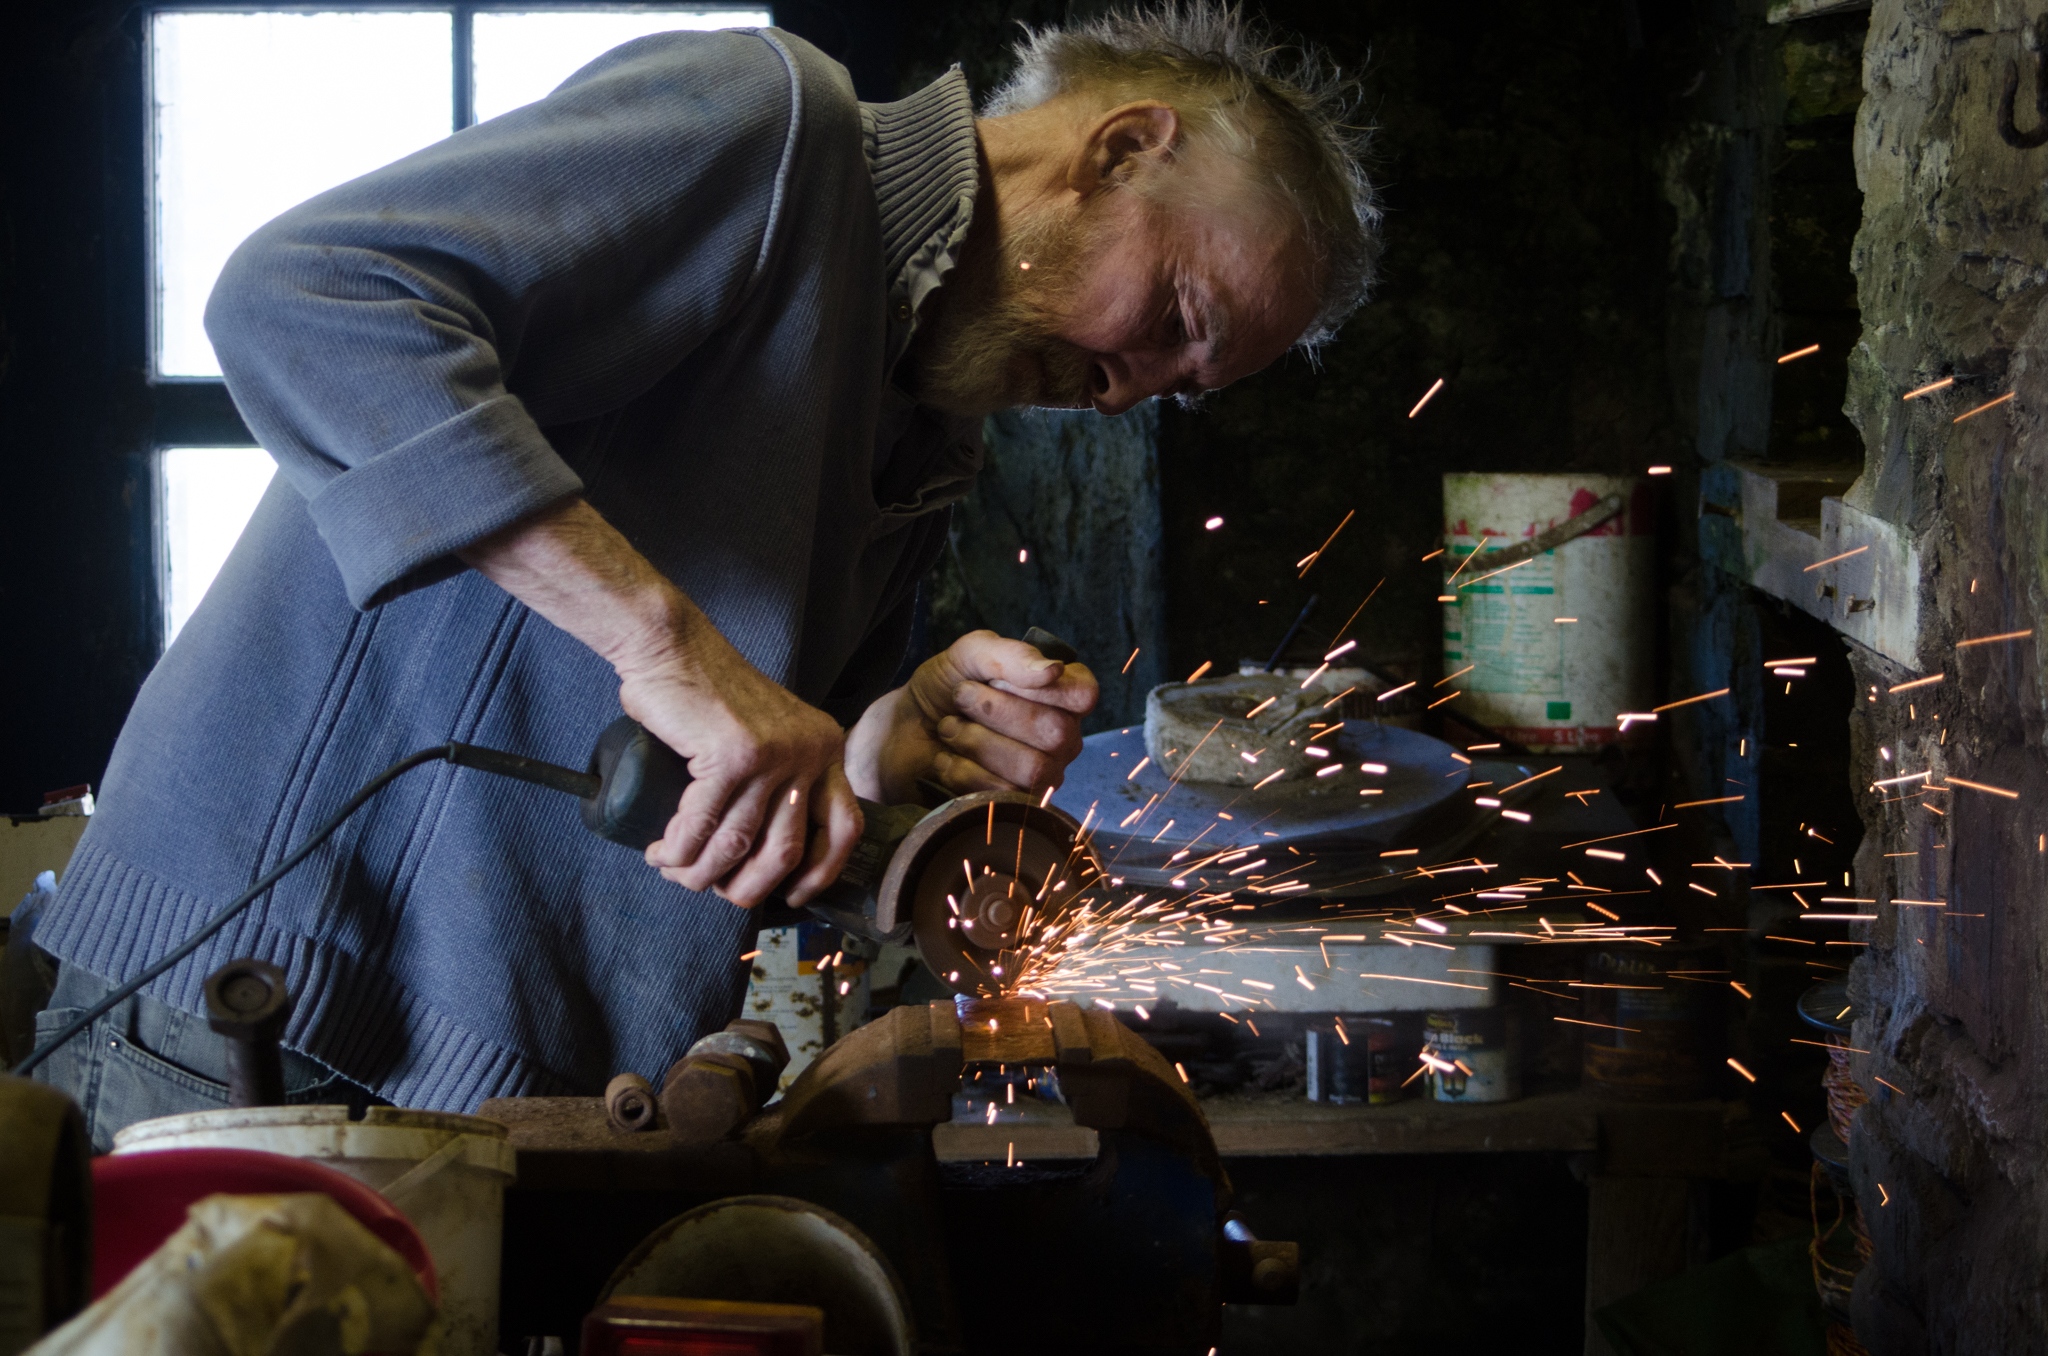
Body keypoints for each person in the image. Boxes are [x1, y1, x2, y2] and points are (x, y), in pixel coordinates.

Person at [30, 2, 1378, 1146]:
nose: (1124, 393)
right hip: (251, 1026)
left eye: (1180, 389)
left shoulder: (929, 427)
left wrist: (883, 747)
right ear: (1120, 149)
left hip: (515, 1099)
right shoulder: (776, 128)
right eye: (1171, 322)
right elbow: (304, 295)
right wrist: (667, 644)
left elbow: (712, 786)